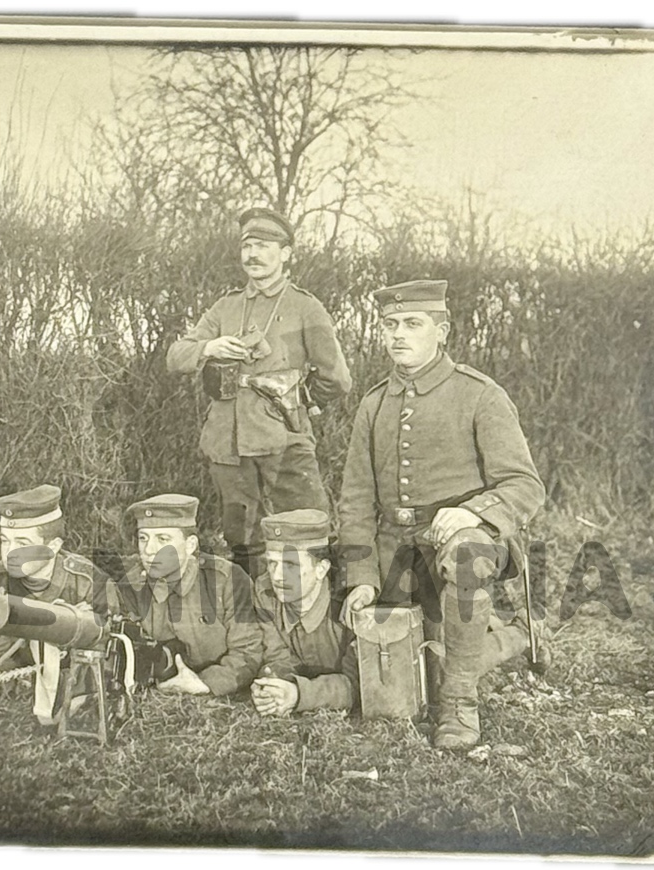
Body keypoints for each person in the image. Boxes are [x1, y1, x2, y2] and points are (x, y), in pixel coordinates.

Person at [336, 280, 545, 750]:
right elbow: (355, 500)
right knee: (394, 661)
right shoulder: (373, 405)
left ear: (442, 330)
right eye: (390, 324)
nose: (398, 334)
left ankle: (459, 703)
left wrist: (472, 513)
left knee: (467, 560)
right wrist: (361, 575)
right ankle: (518, 635)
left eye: (413, 323)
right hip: (397, 550)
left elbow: (526, 485)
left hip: (464, 545)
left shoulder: (479, 395)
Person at [167, 203, 351, 577]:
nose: (253, 254)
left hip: (284, 441)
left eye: (264, 246)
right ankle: (254, 622)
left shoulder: (305, 308)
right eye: (247, 246)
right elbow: (176, 356)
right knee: (242, 541)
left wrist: (297, 400)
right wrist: (209, 348)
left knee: (307, 533)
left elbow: (337, 379)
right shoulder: (225, 307)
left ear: (286, 255)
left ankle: (320, 622)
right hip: (228, 445)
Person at [0, 484, 113, 724]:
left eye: (22, 543)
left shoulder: (88, 582)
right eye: (5, 541)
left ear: (53, 547)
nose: (9, 554)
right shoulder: (0, 579)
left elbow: (108, 652)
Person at [109, 494, 263, 697]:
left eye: (163, 539)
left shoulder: (227, 580)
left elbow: (248, 651)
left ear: (190, 545)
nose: (149, 550)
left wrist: (206, 683)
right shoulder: (131, 587)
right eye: (143, 538)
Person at [251, 509, 358, 717]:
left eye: (291, 565)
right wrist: (274, 686)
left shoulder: (349, 601)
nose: (277, 576)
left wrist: (299, 694)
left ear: (321, 569)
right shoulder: (265, 592)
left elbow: (358, 682)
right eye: (272, 563)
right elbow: (276, 655)